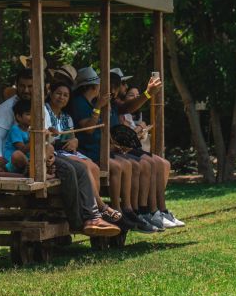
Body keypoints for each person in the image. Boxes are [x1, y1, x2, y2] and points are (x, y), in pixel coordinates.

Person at [0, 68, 118, 237]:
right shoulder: (5, 109)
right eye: (22, 86)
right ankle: (78, 222)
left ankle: (92, 217)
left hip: (43, 154)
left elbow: (48, 139)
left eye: (30, 86)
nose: (26, 90)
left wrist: (51, 152)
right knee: (68, 170)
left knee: (80, 168)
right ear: (17, 86)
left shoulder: (40, 107)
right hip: (21, 156)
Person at [70, 67, 157, 234]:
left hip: (101, 147)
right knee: (118, 167)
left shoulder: (94, 101)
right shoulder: (81, 103)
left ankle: (131, 209)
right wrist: (99, 107)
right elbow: (88, 129)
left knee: (133, 165)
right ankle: (118, 210)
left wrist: (114, 143)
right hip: (89, 150)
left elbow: (107, 128)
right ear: (92, 87)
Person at [110, 68, 184, 228]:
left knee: (162, 163)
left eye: (122, 84)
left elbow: (127, 109)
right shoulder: (104, 104)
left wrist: (149, 93)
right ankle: (141, 211)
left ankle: (158, 210)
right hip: (113, 151)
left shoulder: (114, 104)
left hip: (122, 148)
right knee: (146, 165)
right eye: (121, 84)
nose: (124, 87)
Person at [46, 80, 122, 224]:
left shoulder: (66, 117)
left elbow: (73, 137)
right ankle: (101, 208)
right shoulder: (44, 111)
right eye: (58, 94)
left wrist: (75, 142)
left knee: (93, 167)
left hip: (67, 150)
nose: (61, 97)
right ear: (50, 93)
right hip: (54, 150)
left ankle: (96, 210)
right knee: (85, 167)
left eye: (65, 95)